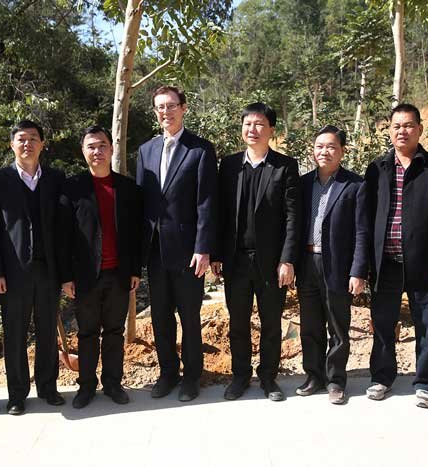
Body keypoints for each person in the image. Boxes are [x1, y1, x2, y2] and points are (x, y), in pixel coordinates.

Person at [364, 103, 428, 408]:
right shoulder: (377, 168)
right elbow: (366, 217)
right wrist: (365, 262)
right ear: (389, 131)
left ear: (420, 129)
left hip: (424, 264)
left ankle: (426, 382)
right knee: (383, 324)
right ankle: (381, 377)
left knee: (426, 326)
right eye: (396, 126)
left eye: (408, 125)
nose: (402, 131)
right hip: (385, 264)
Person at [212, 102, 300, 402]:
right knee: (237, 323)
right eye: (248, 124)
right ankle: (240, 376)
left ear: (271, 130)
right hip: (235, 260)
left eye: (259, 124)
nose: (253, 129)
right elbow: (220, 214)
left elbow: (293, 217)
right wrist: (217, 254)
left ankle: (268, 377)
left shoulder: (285, 166)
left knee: (271, 323)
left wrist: (287, 259)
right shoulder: (229, 165)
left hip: (271, 262)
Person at [136, 86, 217, 402]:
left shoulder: (200, 150)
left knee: (189, 316)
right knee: (160, 316)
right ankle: (167, 373)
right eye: (160, 107)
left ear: (183, 108)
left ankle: (191, 377)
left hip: (188, 251)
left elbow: (206, 202)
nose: (165, 112)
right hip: (155, 251)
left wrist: (203, 248)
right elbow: (142, 202)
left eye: (171, 106)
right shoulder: (146, 150)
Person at [0, 120, 65, 415]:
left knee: (47, 332)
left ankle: (48, 387)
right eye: (21, 139)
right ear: (12, 144)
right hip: (12, 272)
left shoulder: (56, 178)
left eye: (33, 138)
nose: (27, 144)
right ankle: (17, 394)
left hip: (48, 270)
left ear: (42, 144)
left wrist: (65, 273)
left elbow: (64, 227)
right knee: (15, 334)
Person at [58, 126, 143, 409]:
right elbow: (63, 237)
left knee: (115, 332)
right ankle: (86, 385)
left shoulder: (128, 188)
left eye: (102, 145)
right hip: (85, 276)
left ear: (112, 148)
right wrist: (66, 277)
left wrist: (135, 270)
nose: (97, 151)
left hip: (119, 273)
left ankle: (113, 383)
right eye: (91, 146)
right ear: (83, 151)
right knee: (87, 333)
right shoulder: (72, 188)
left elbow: (135, 234)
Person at [296, 125, 368, 404]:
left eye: (331, 147)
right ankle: (313, 376)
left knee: (338, 327)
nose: (324, 151)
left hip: (337, 265)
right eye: (319, 146)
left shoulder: (355, 185)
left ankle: (336, 381)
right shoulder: (303, 184)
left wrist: (358, 271)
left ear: (342, 151)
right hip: (307, 262)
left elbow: (361, 231)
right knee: (310, 325)